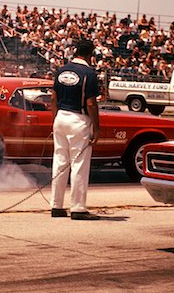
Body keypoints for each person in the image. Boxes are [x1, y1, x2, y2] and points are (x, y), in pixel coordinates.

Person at [50, 39, 101, 220]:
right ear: (90, 54)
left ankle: (56, 206)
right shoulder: (89, 73)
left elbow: (54, 97)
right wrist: (97, 127)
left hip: (60, 117)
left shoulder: (61, 70)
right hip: (78, 119)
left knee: (60, 161)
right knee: (79, 165)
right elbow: (91, 104)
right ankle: (78, 208)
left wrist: (54, 119)